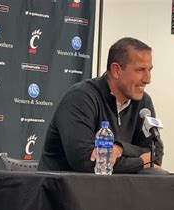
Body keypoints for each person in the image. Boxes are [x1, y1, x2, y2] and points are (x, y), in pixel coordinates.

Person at [38, 37, 164, 173]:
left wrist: (120, 148)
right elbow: (87, 162)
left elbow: (155, 153)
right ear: (116, 70)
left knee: (157, 175)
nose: (148, 79)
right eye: (140, 70)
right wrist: (141, 162)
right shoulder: (81, 97)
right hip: (64, 189)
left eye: (149, 70)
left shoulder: (143, 103)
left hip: (112, 189)